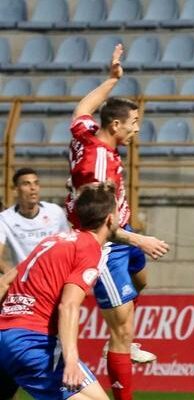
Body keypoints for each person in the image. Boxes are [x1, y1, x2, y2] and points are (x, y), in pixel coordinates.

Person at [66, 44, 169, 400]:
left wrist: (111, 81)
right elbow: (93, 220)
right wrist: (139, 240)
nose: (137, 130)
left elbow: (81, 109)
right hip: (105, 244)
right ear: (115, 125)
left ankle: (121, 339)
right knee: (121, 330)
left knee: (141, 281)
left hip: (122, 231)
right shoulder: (95, 166)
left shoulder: (88, 132)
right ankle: (120, 351)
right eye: (134, 123)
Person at [0, 183, 119, 400]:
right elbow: (69, 305)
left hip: (7, 335)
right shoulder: (90, 249)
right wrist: (71, 361)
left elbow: (4, 282)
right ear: (110, 219)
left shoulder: (54, 240)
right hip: (33, 342)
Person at [0, 168, 70, 273]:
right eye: (26, 184)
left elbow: (69, 246)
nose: (33, 188)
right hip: (25, 283)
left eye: (36, 183)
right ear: (15, 189)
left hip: (56, 277)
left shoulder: (55, 211)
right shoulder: (5, 218)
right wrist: (15, 277)